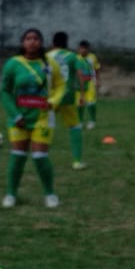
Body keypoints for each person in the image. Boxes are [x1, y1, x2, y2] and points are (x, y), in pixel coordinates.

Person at [0, 28, 60, 210]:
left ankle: (50, 194)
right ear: (22, 43)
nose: (32, 41)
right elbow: (5, 92)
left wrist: (53, 101)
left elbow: (61, 86)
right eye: (28, 38)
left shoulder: (49, 64)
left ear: (41, 42)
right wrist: (15, 115)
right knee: (18, 155)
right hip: (19, 117)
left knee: (40, 156)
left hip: (43, 117)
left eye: (36, 38)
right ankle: (11, 194)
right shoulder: (13, 64)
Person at [47, 30, 86, 170]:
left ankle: (41, 157)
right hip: (67, 96)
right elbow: (80, 75)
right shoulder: (72, 56)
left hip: (50, 96)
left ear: (53, 43)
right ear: (66, 43)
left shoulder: (46, 56)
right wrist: (82, 94)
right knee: (75, 126)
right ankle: (77, 162)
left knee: (46, 126)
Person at [76, 40, 101, 129]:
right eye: (81, 48)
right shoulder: (76, 58)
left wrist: (97, 80)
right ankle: (79, 122)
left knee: (91, 102)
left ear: (88, 49)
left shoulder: (92, 57)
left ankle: (92, 121)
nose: (82, 50)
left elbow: (97, 69)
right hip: (79, 83)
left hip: (90, 82)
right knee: (79, 103)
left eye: (84, 48)